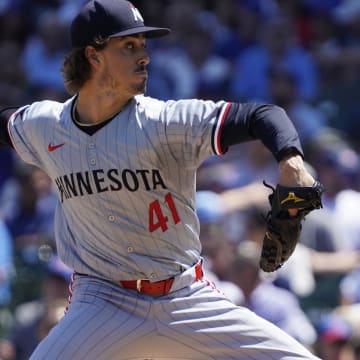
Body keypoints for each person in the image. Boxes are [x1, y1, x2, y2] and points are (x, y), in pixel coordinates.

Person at [0, 0, 321, 358]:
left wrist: (292, 164)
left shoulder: (164, 122)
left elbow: (263, 115)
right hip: (103, 302)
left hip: (184, 296)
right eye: (129, 46)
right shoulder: (46, 125)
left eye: (143, 45)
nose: (145, 56)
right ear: (93, 57)